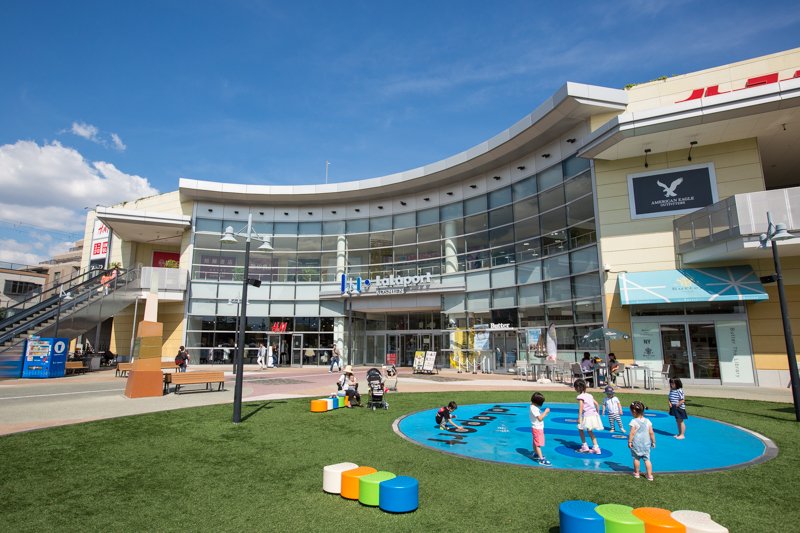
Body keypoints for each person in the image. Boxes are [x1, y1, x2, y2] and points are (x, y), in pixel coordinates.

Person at [628, 400, 656, 480]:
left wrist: (630, 441)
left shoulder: (633, 421)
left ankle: (637, 473)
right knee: (647, 460)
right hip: (646, 444)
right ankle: (649, 475)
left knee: (636, 458)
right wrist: (653, 441)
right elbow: (651, 433)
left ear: (634, 411)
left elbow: (632, 433)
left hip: (636, 444)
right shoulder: (648, 421)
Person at [574, 379, 602, 454]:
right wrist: (597, 413)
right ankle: (596, 447)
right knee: (590, 431)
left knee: (580, 428)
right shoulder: (589, 395)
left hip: (587, 416)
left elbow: (581, 408)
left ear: (578, 387)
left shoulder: (580, 396)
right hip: (593, 415)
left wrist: (579, 417)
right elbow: (597, 404)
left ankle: (584, 446)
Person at [529, 392, 551, 466]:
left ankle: (536, 453)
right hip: (537, 428)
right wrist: (546, 412)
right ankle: (541, 459)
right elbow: (540, 418)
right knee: (538, 444)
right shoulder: (534, 408)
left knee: (535, 441)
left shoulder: (533, 407)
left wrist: (544, 414)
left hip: (536, 427)